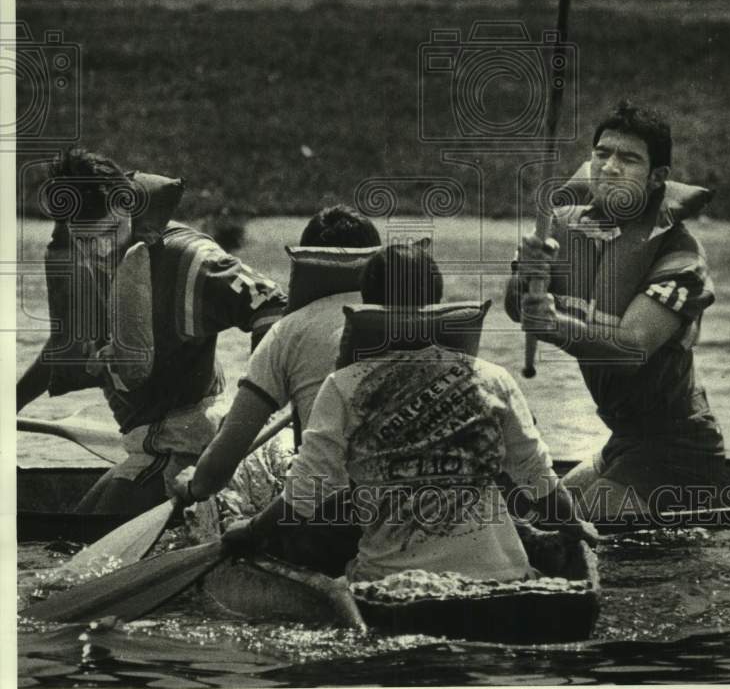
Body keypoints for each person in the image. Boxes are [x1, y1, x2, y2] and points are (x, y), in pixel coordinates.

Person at [222, 242, 596, 583]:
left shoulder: (343, 385)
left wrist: (252, 531)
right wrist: (576, 528)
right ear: (435, 300)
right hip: (504, 575)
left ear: (370, 303)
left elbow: (304, 495)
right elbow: (537, 478)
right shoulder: (494, 378)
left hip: (392, 581)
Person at [16, 148, 288, 515]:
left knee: (85, 539)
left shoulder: (188, 258)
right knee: (73, 531)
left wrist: (255, 409)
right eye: (85, 239)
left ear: (128, 205)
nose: (100, 250)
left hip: (188, 439)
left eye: (111, 232)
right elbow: (66, 347)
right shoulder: (74, 249)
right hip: (144, 444)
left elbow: (272, 305)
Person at [505, 100, 725, 521]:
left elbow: (631, 350)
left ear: (657, 176)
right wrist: (526, 278)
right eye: (602, 153)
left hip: (679, 451)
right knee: (533, 519)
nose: (609, 167)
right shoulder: (565, 228)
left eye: (628, 158)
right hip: (623, 441)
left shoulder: (680, 256)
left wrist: (554, 324)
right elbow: (518, 309)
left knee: (574, 531)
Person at [171, 205, 382, 517]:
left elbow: (228, 453)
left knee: (258, 463)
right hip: (406, 506)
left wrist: (193, 485)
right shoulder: (412, 323)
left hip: (328, 516)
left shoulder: (288, 332)